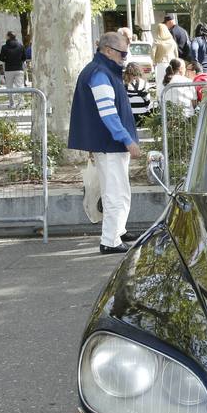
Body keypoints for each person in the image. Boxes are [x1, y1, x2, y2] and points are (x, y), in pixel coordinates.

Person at [68, 31, 142, 255]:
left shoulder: (101, 70)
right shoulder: (101, 73)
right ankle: (110, 239)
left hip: (108, 144)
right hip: (110, 144)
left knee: (119, 189)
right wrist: (127, 139)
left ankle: (117, 231)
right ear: (109, 51)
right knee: (114, 191)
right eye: (123, 53)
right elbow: (108, 113)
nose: (125, 57)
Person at [0, 30, 28, 107]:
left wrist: (7, 60)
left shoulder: (4, 47)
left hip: (9, 69)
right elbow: (24, 57)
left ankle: (12, 103)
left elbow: (1, 58)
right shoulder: (21, 46)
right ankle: (21, 103)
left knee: (9, 87)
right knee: (20, 86)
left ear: (8, 37)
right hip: (19, 68)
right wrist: (19, 61)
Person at [151, 20, 177, 85]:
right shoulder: (172, 41)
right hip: (171, 63)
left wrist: (154, 62)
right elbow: (176, 53)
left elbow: (152, 53)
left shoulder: (156, 41)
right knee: (171, 82)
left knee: (160, 82)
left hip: (160, 63)